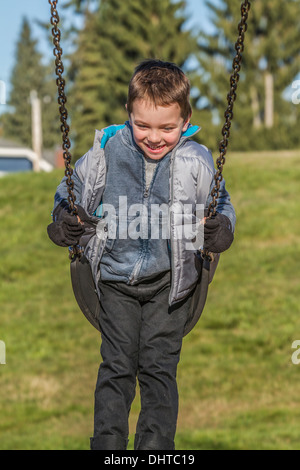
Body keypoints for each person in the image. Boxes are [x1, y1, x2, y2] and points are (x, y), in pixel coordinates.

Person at [47, 59, 235, 451]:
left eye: (167, 128)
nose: (154, 137)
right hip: (115, 281)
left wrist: (223, 230)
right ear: (128, 115)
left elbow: (222, 204)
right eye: (142, 125)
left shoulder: (195, 160)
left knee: (158, 370)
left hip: (170, 286)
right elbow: (70, 192)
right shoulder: (106, 152)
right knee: (116, 368)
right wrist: (63, 219)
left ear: (185, 121)